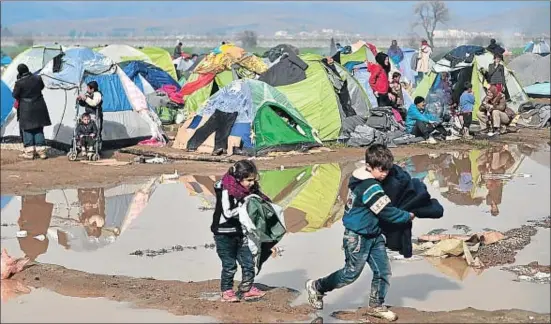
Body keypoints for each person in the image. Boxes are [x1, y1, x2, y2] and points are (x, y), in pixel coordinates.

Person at [305, 144, 415, 321]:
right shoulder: (370, 187)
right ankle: (318, 286)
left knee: (383, 271)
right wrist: (407, 216)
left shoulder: (360, 177)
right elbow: (386, 211)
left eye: (387, 169)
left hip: (374, 234)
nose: (385, 173)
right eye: (382, 170)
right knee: (350, 274)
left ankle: (376, 305)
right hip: (357, 236)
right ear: (369, 167)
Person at [212, 160, 269, 302]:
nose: (251, 183)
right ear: (238, 178)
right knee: (229, 265)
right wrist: (247, 204)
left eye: (253, 180)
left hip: (241, 231)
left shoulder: (249, 191)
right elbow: (228, 213)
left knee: (248, 262)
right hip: (224, 233)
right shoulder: (226, 189)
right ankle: (226, 291)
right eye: (248, 180)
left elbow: (261, 201)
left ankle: (246, 289)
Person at [12, 63, 52, 160]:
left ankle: (29, 152)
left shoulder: (19, 82)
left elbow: (15, 95)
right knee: (38, 127)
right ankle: (41, 152)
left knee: (27, 129)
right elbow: (42, 87)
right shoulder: (38, 78)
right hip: (39, 104)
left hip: (26, 107)